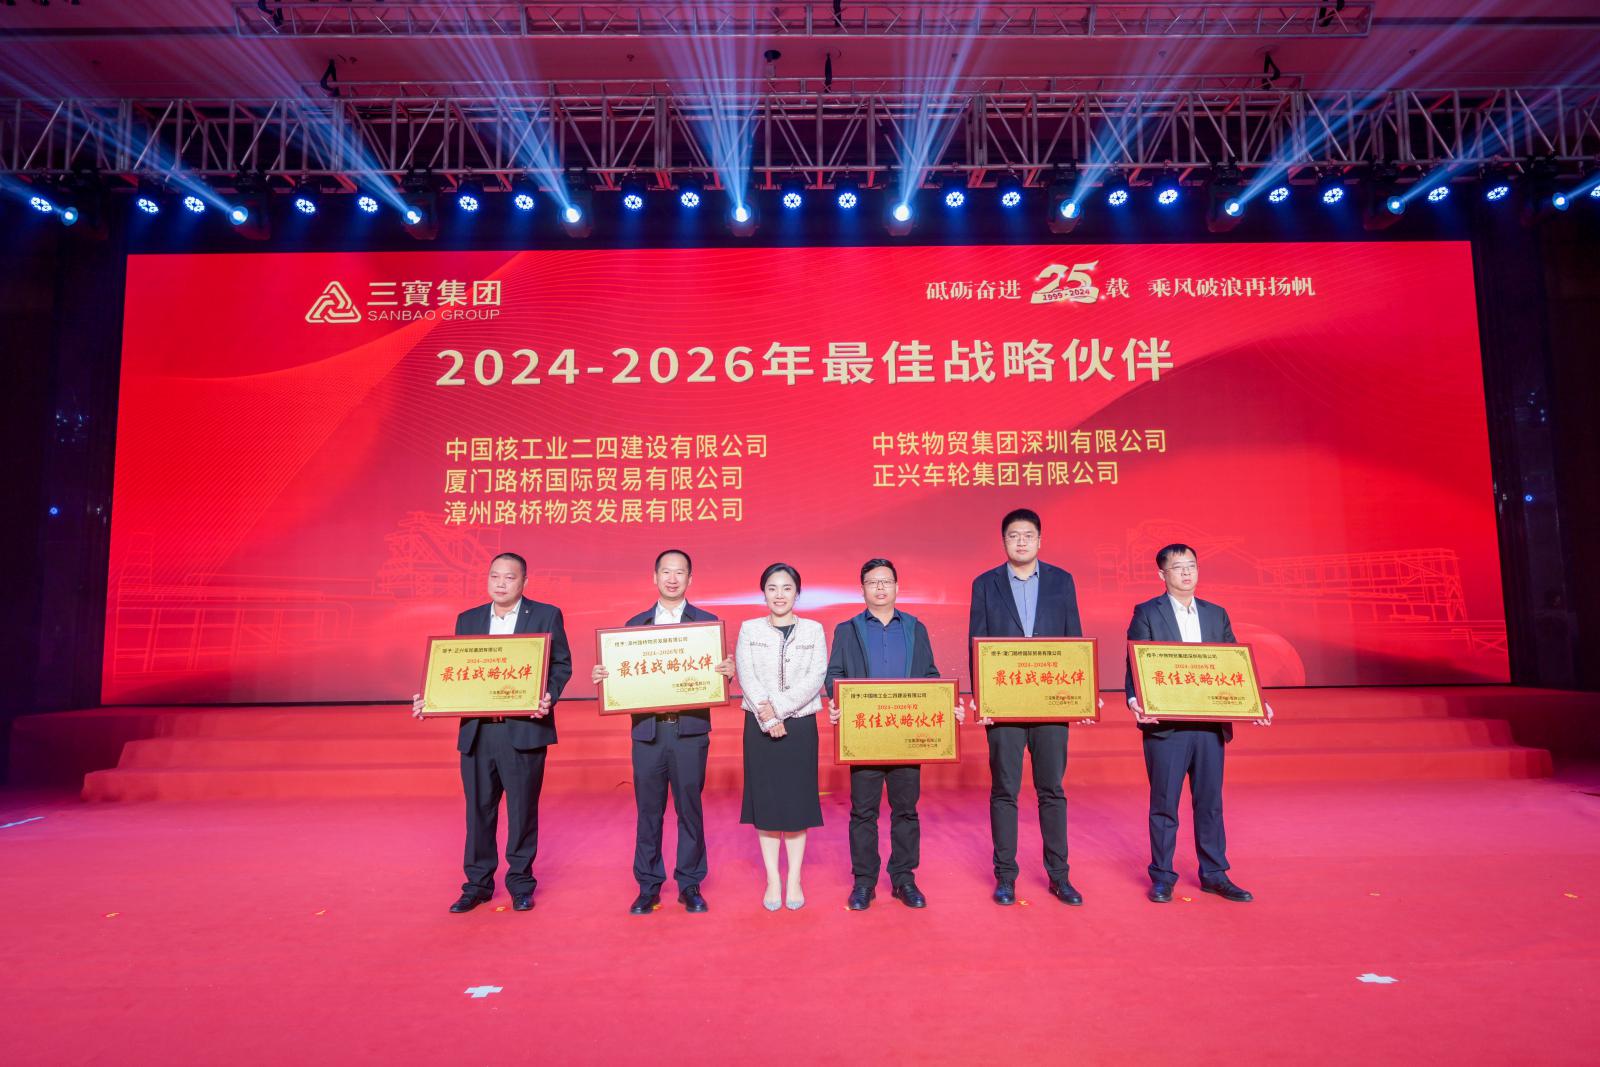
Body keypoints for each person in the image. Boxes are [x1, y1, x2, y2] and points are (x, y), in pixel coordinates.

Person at [412, 552, 572, 913]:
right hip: (478, 732)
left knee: (522, 812)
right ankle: (477, 885)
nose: (501, 583)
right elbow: (456, 671)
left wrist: (548, 694)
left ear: (524, 582)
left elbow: (562, 664)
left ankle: (520, 884)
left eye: (510, 578)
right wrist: (430, 699)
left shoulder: (546, 615)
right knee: (478, 811)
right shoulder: (468, 619)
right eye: (495, 576)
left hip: (524, 730)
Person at [590, 549, 736, 916]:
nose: (672, 579)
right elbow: (622, 675)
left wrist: (726, 672)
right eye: (666, 572)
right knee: (648, 811)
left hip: (689, 732)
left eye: (680, 572)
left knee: (690, 810)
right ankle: (648, 886)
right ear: (654, 577)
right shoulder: (634, 626)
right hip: (648, 733)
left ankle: (690, 884)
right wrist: (606, 677)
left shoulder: (706, 625)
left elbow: (714, 677)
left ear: (690, 579)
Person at [1124, 543, 1273, 904]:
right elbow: (1136, 663)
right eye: (1178, 567)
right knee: (1165, 804)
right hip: (1167, 726)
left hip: (1209, 725)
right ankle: (1163, 876)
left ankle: (1214, 874)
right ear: (1162, 574)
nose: (1187, 572)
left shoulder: (1216, 614)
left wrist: (1255, 703)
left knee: (1209, 802)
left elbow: (1233, 664)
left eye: (1191, 565)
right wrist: (1135, 701)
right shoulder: (1147, 612)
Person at [968, 507, 1091, 907]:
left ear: (1040, 540)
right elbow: (977, 642)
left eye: (1028, 535)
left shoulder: (1061, 581)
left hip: (1050, 704)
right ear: (1003, 541)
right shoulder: (985, 584)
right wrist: (983, 698)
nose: (1021, 542)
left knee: (1051, 790)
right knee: (1004, 790)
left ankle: (1060, 876)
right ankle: (1005, 877)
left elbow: (1074, 638)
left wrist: (1080, 692)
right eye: (1013, 536)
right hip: (1004, 705)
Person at [825, 558, 963, 911]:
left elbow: (931, 676)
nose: (880, 587)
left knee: (906, 810)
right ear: (862, 589)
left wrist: (946, 705)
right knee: (863, 812)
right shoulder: (847, 630)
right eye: (873, 582)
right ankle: (864, 882)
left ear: (897, 587)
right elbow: (834, 675)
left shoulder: (915, 627)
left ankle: (904, 878)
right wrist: (838, 702)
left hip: (907, 735)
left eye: (886, 581)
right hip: (865, 736)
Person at [734, 563, 827, 911]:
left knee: (797, 803)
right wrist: (768, 715)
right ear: (763, 593)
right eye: (772, 588)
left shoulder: (814, 630)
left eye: (787, 588)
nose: (779, 595)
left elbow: (816, 676)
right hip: (759, 725)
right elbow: (746, 674)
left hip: (800, 725)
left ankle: (795, 877)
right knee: (768, 803)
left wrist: (780, 710)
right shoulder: (749, 629)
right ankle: (773, 878)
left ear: (797, 593)